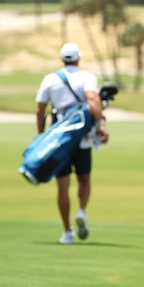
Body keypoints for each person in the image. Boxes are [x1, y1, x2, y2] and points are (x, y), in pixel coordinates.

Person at [35, 43, 108, 244]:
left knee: (62, 186)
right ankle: (82, 211)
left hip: (60, 142)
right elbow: (93, 100)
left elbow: (40, 111)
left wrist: (42, 136)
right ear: (78, 58)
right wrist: (101, 125)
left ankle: (67, 231)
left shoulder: (50, 79)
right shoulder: (87, 77)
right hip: (82, 139)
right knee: (84, 179)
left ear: (62, 58)